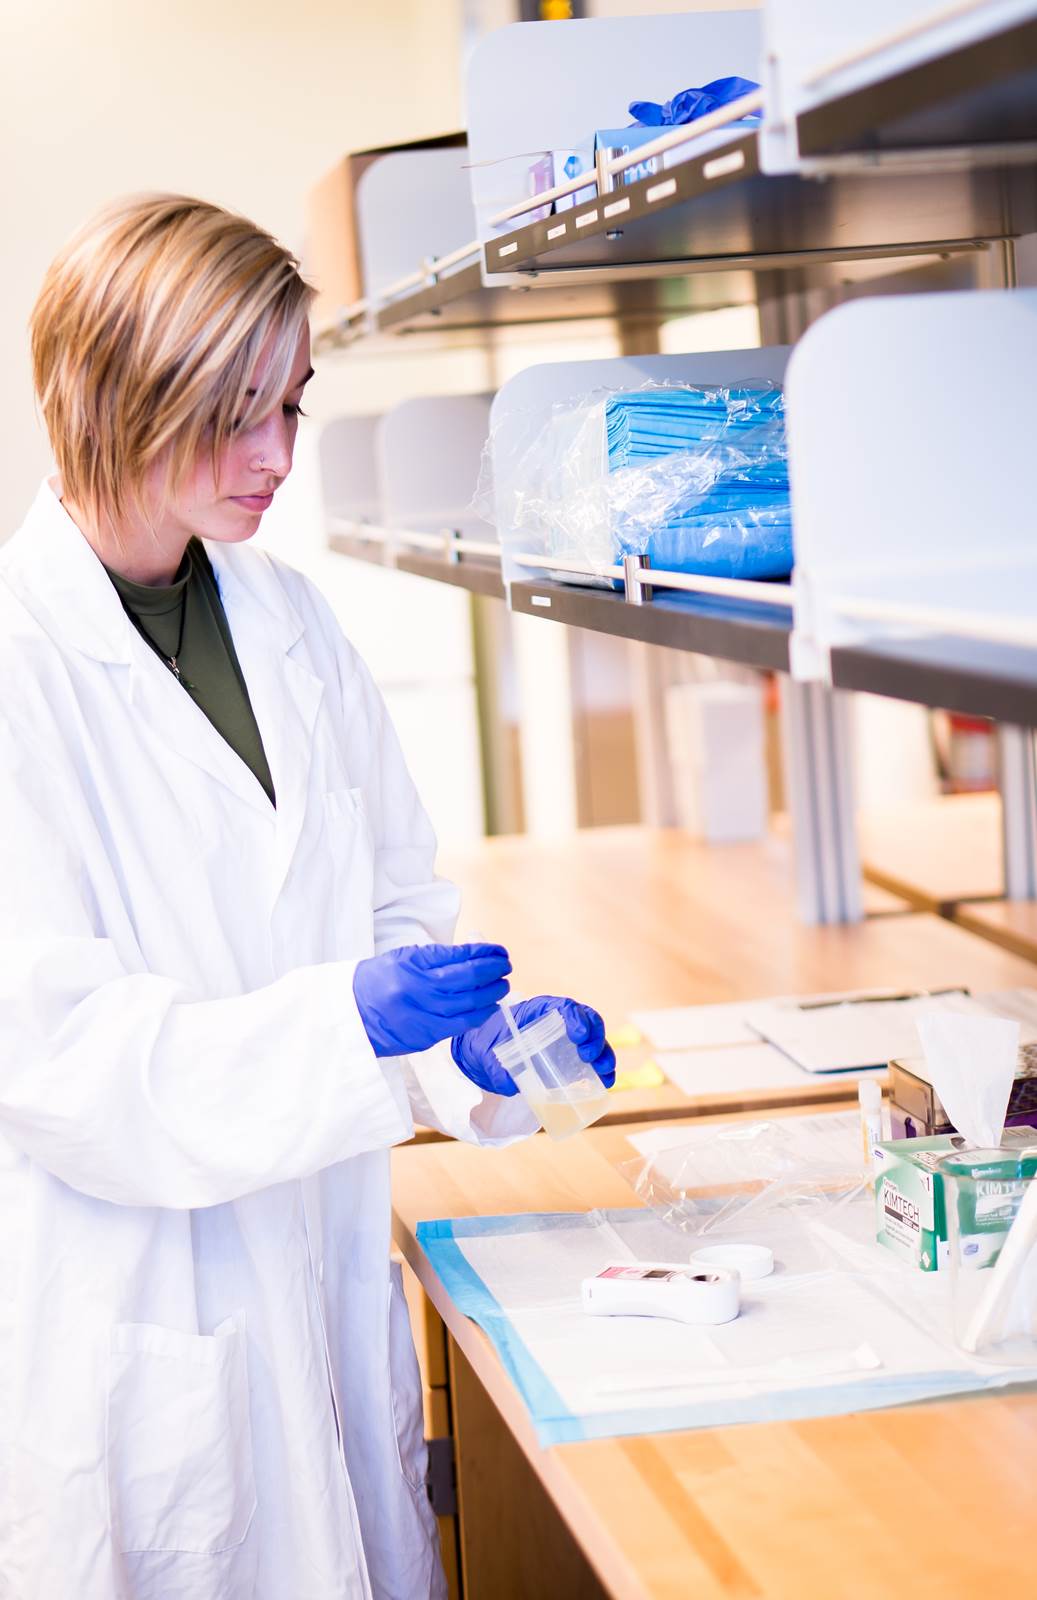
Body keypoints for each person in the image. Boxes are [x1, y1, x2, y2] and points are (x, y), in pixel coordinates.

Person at [0, 193, 615, 1600]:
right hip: (140, 1316)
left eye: (292, 404)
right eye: (235, 412)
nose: (278, 456)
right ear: (113, 396)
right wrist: (348, 1028)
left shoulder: (286, 618)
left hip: (320, 1276)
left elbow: (400, 904)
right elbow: (65, 1062)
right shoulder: (15, 670)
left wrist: (472, 1054)